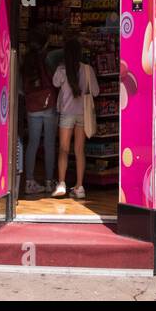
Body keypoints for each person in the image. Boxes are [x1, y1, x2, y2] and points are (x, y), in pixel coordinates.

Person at [51, 36, 98, 201]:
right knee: (79, 150)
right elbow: (96, 91)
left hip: (66, 113)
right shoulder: (87, 70)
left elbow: (55, 83)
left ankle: (62, 183)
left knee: (63, 149)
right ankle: (79, 186)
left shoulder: (62, 70)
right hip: (82, 114)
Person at [22, 27, 57, 195]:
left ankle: (29, 181)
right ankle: (49, 182)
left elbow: (23, 87)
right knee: (49, 143)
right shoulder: (47, 59)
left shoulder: (25, 60)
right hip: (48, 103)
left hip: (32, 106)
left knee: (33, 143)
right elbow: (54, 80)